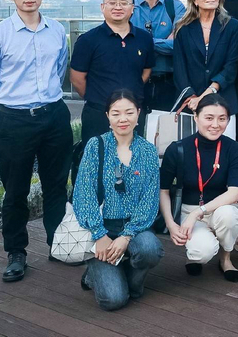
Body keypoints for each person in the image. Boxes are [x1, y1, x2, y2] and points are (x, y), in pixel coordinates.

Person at [0, 0, 72, 283]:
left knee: (56, 185)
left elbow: (60, 70)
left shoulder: (57, 30)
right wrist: (4, 112)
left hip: (54, 116)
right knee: (16, 190)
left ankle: (58, 244)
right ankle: (16, 253)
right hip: (14, 120)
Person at [74, 90, 163, 311]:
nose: (123, 119)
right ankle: (94, 274)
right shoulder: (96, 146)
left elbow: (150, 199)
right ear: (107, 116)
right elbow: (84, 193)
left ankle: (130, 282)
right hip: (102, 226)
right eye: (116, 113)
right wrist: (99, 234)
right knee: (113, 300)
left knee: (150, 249)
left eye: (129, 112)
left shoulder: (148, 151)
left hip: (135, 227)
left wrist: (126, 235)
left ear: (138, 113)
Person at [159, 93, 238, 281]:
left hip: (221, 208)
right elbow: (163, 190)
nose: (215, 124)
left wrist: (199, 212)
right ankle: (195, 251)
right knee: (201, 253)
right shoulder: (177, 148)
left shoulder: (233, 148)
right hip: (188, 210)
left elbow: (234, 193)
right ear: (196, 117)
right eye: (209, 118)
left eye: (222, 119)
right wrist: (171, 224)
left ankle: (226, 258)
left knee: (229, 217)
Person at [70, 0, 155, 141]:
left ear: (132, 8)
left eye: (124, 3)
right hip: (98, 114)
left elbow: (146, 71)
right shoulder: (87, 40)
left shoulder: (145, 38)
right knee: (98, 155)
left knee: (133, 154)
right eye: (112, 3)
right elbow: (77, 78)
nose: (118, 7)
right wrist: (97, 98)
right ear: (103, 7)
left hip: (133, 113)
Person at [173, 0, 238, 115]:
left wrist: (206, 95)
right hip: (190, 103)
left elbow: (231, 66)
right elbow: (179, 68)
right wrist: (192, 97)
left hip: (223, 101)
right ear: (195, 0)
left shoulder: (232, 26)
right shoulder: (183, 28)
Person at [131, 0, 186, 113]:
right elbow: (121, 44)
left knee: (166, 127)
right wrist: (165, 41)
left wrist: (139, 40)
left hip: (168, 84)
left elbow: (180, 46)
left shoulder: (175, 7)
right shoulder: (127, 6)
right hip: (133, 82)